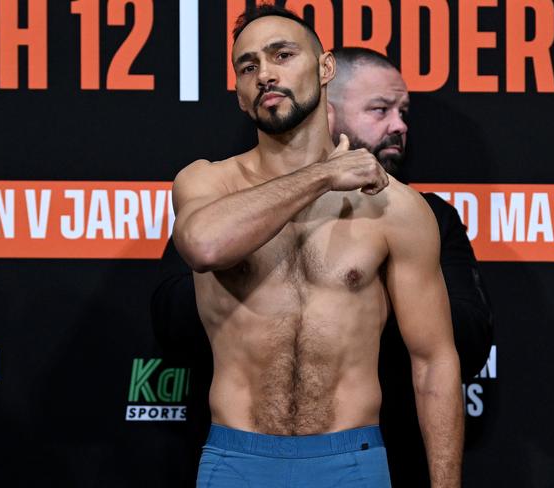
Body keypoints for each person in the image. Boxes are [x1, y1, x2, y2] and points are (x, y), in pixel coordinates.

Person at [168, 5, 463, 488]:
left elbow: (434, 362)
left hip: (351, 461)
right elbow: (204, 246)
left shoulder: (395, 207)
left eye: (282, 55)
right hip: (236, 459)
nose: (265, 74)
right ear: (241, 98)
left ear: (325, 68)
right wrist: (324, 174)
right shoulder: (205, 182)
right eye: (248, 67)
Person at [327, 47, 493, 487]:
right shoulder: (256, 207)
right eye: (379, 110)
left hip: (396, 461)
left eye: (402, 111)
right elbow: (174, 318)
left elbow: (471, 336)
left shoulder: (429, 216)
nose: (399, 125)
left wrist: (362, 292)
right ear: (326, 115)